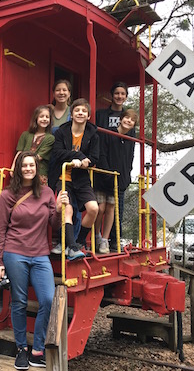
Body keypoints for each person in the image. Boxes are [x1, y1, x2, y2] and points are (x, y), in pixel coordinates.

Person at [0, 151, 67, 370]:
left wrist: (60, 209)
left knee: (47, 299)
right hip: (15, 252)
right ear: (19, 169)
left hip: (40, 254)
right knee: (19, 302)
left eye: (31, 165)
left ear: (37, 169)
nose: (28, 169)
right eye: (24, 165)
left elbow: (53, 224)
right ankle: (21, 350)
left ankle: (37, 350)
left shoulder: (46, 193)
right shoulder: (8, 195)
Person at [48, 98, 99, 259]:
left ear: (88, 115)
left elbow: (95, 157)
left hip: (82, 179)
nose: (80, 113)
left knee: (93, 209)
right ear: (72, 114)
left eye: (84, 111)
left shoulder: (93, 135)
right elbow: (57, 152)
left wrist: (86, 163)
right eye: (77, 110)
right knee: (67, 209)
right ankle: (71, 247)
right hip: (63, 177)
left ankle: (77, 242)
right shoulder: (62, 132)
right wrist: (77, 156)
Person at [95, 81, 135, 250]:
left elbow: (130, 149)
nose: (119, 96)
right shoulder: (101, 115)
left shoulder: (129, 118)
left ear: (126, 97)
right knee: (100, 206)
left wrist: (128, 171)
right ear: (112, 95)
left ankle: (112, 241)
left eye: (123, 94)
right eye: (117, 93)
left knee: (115, 207)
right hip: (102, 166)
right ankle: (98, 237)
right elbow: (98, 139)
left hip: (119, 170)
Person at [11, 105, 55, 185]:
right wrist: (13, 167)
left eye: (47, 117)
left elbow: (39, 157)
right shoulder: (25, 135)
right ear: (36, 118)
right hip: (23, 170)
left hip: (40, 173)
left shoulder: (50, 138)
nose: (44, 119)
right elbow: (19, 152)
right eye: (41, 116)